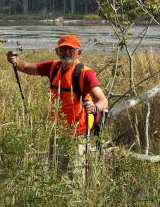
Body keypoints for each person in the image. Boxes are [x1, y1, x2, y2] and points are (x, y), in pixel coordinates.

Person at [6, 34, 108, 186]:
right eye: (63, 49)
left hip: (77, 134)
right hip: (57, 131)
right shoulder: (53, 67)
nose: (67, 52)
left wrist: (94, 107)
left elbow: (103, 101)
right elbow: (26, 67)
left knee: (74, 177)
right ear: (57, 52)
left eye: (71, 49)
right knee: (56, 173)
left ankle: (75, 204)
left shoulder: (85, 73)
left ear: (78, 52)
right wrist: (14, 60)